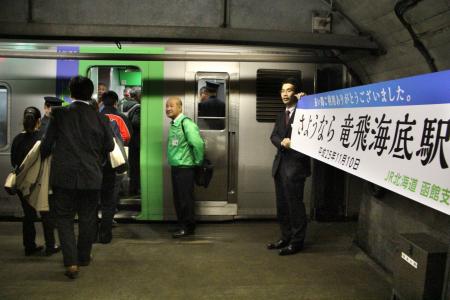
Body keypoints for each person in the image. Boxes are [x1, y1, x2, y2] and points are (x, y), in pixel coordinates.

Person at [41, 76, 114, 279]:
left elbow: (46, 146)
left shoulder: (59, 114)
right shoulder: (101, 117)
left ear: (71, 93)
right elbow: (109, 146)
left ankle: (71, 262)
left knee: (63, 219)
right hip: (91, 176)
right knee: (88, 218)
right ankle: (83, 257)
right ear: (90, 93)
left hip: (63, 177)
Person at [267, 77, 311, 256]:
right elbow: (273, 136)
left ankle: (297, 242)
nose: (285, 94)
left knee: (295, 206)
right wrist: (282, 143)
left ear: (297, 93)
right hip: (280, 165)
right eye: (283, 91)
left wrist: (305, 103)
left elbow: (312, 131)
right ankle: (285, 237)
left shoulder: (304, 110)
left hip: (296, 165)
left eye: (289, 90)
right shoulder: (280, 114)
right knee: (282, 205)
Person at [11, 106, 59, 256]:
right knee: (46, 214)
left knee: (28, 215)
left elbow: (14, 162)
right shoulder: (42, 139)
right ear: (39, 121)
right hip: (41, 183)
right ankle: (50, 246)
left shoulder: (17, 139)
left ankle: (29, 246)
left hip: (23, 184)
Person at [166, 96, 204, 238]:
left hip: (185, 168)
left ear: (180, 108)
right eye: (167, 106)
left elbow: (198, 144)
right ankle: (181, 224)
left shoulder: (186, 124)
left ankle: (188, 227)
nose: (168, 108)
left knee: (185, 199)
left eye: (172, 106)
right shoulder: (174, 124)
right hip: (176, 167)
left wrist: (198, 163)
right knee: (178, 198)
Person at [98, 91, 132, 243]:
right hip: (114, 161)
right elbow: (127, 137)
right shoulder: (120, 117)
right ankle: (107, 227)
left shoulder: (96, 116)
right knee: (111, 196)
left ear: (102, 102)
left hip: (96, 163)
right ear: (116, 102)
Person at [121, 87, 141, 196]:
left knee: (129, 167)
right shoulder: (137, 107)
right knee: (135, 166)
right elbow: (136, 122)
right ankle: (134, 189)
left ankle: (127, 189)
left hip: (125, 140)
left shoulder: (122, 104)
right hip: (135, 141)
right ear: (138, 96)